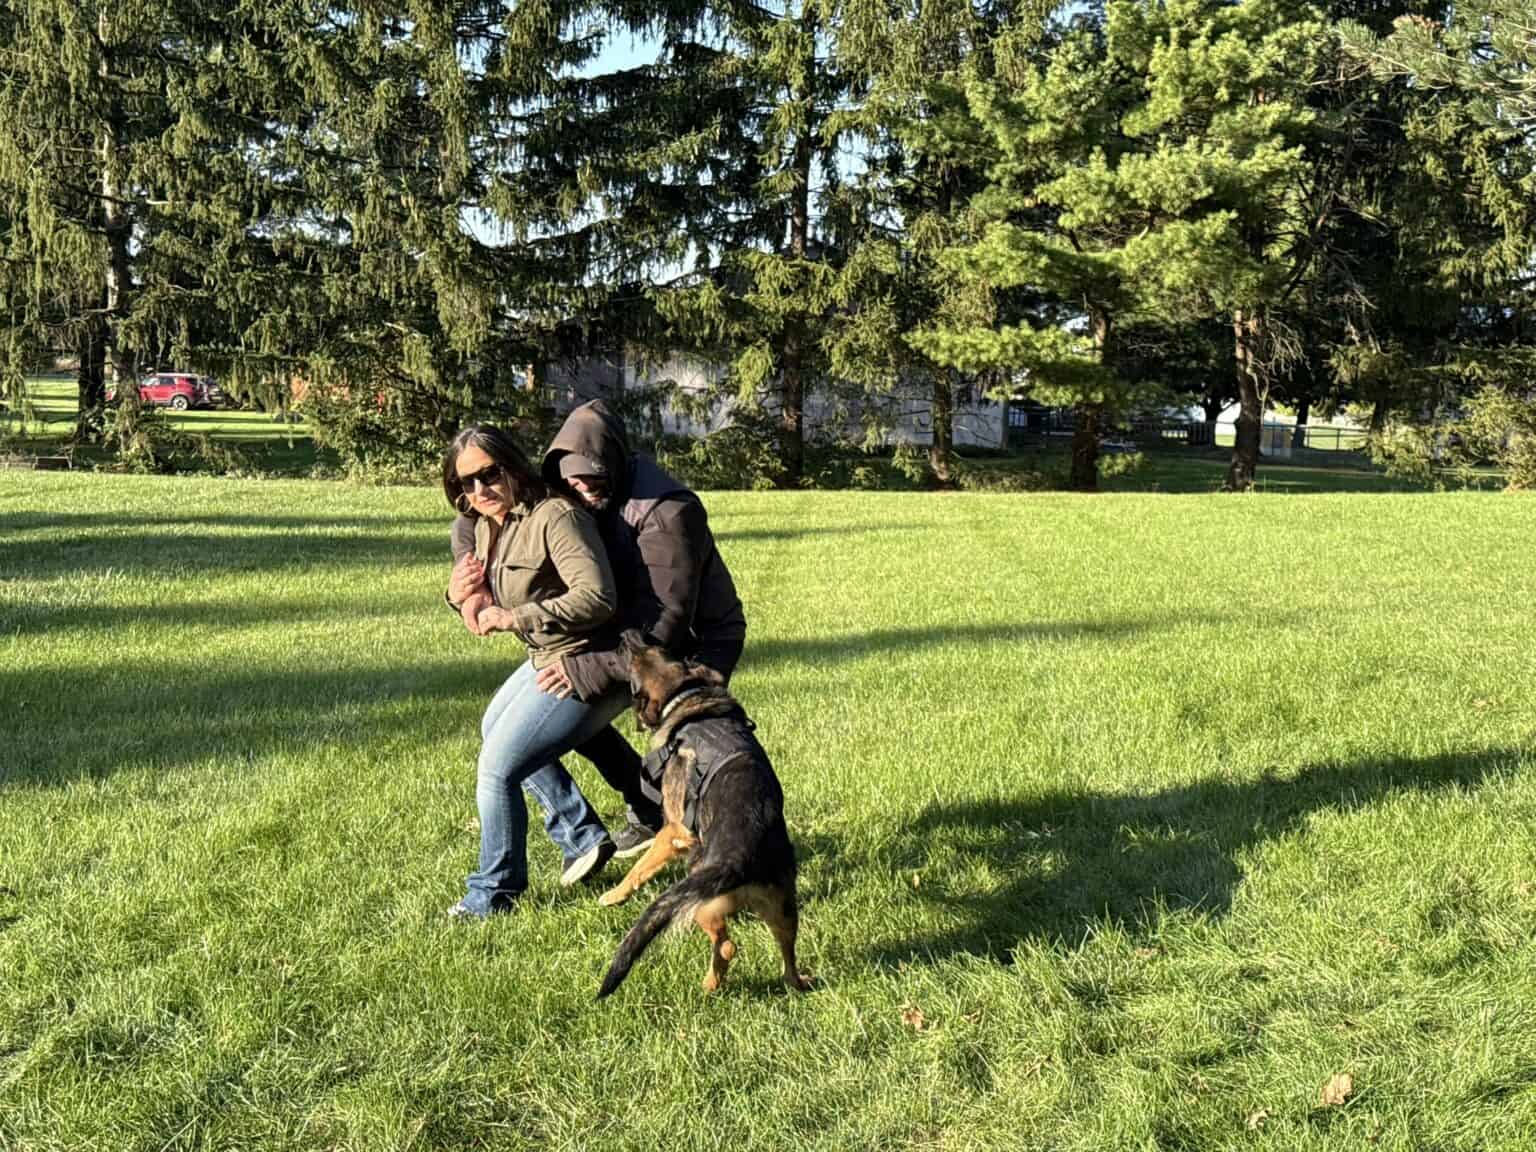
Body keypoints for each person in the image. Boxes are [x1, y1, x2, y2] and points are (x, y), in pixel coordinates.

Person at [450, 400, 747, 859]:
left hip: (690, 644)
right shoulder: (562, 485)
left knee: (708, 751)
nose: (581, 487)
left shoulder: (665, 512)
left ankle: (734, 852)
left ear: (614, 464)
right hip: (612, 631)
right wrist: (466, 588)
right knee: (513, 728)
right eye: (571, 480)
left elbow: (664, 622)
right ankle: (635, 817)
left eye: (593, 478)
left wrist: (587, 668)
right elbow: (476, 518)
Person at [440, 425, 628, 918]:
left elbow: (598, 597)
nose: (479, 490)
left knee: (498, 769)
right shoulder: (487, 524)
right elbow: (477, 593)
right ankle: (582, 835)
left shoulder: (555, 516)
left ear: (513, 466)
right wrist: (457, 594)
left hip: (588, 660)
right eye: (466, 483)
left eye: (489, 474)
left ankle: (491, 895)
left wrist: (515, 617)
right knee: (492, 730)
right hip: (545, 657)